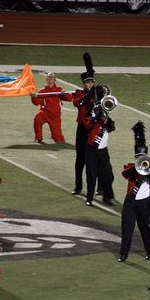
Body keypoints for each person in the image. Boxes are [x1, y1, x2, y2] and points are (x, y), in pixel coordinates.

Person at [119, 122, 150, 263]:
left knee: (144, 227)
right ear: (135, 157)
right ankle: (123, 254)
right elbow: (125, 174)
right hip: (130, 201)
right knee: (127, 227)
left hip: (144, 202)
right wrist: (137, 168)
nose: (140, 159)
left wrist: (147, 172)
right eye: (138, 157)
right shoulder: (130, 167)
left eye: (142, 157)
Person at [62, 53, 97, 196]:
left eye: (91, 82)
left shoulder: (97, 94)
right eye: (87, 82)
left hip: (94, 128)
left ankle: (98, 187)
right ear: (83, 84)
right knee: (80, 160)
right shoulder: (78, 94)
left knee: (95, 159)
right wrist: (88, 95)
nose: (89, 84)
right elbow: (77, 103)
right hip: (82, 128)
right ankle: (78, 186)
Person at [82, 89, 115, 207]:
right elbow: (87, 126)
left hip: (103, 149)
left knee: (108, 174)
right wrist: (96, 117)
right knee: (91, 174)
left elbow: (111, 129)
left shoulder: (105, 117)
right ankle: (89, 198)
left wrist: (107, 120)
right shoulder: (91, 113)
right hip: (91, 148)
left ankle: (108, 196)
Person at [30, 72, 65, 143]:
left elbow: (69, 99)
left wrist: (64, 94)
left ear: (55, 80)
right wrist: (33, 97)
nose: (50, 78)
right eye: (49, 77)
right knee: (37, 119)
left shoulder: (59, 90)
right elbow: (36, 103)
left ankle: (55, 136)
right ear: (46, 79)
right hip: (44, 113)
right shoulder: (42, 91)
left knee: (59, 139)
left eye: (52, 77)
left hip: (55, 116)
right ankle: (38, 137)